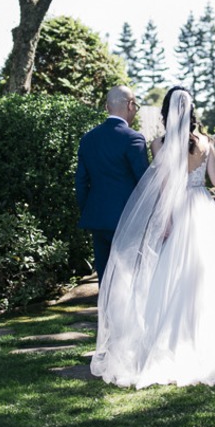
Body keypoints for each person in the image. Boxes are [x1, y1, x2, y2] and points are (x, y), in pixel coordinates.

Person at [91, 86, 215, 388]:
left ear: (166, 110)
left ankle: (167, 342)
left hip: (176, 209)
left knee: (171, 276)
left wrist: (165, 219)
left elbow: (163, 186)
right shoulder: (207, 142)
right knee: (206, 273)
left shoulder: (159, 144)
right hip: (202, 208)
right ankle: (207, 338)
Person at [75, 85, 150, 285]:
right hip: (129, 220)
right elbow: (144, 183)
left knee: (105, 279)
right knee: (130, 279)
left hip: (98, 219)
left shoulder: (88, 139)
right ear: (130, 105)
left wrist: (89, 211)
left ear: (107, 107)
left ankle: (107, 316)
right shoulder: (134, 138)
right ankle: (128, 317)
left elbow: (81, 183)